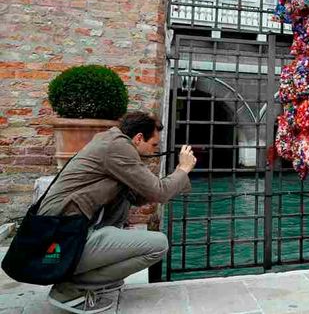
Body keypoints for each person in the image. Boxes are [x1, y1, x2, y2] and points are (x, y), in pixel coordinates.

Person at [38, 111, 197, 313]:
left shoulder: (111, 142)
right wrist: (182, 169)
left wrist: (173, 181)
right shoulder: (118, 147)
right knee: (159, 245)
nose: (154, 150)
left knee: (131, 237)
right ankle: (69, 290)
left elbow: (139, 196)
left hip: (66, 232)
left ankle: (87, 281)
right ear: (139, 138)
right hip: (63, 238)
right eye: (154, 145)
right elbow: (159, 192)